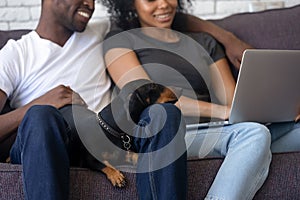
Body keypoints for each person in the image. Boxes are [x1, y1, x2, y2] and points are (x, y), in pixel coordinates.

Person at [0, 0, 188, 199]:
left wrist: (224, 37)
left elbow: (163, 13)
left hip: (104, 139)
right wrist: (40, 103)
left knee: (165, 113)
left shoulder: (101, 31)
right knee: (41, 115)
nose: (90, 4)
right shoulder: (14, 56)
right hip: (47, 141)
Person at [100, 0, 272, 199]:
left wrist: (274, 106)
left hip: (213, 129)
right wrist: (223, 111)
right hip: (164, 134)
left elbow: (233, 100)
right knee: (254, 134)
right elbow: (147, 98)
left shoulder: (203, 41)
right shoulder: (120, 40)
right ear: (131, 4)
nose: (163, 4)